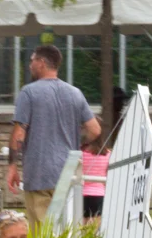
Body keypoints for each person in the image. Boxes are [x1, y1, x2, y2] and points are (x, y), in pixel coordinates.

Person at [7, 44, 101, 225]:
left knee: (43, 235)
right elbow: (95, 130)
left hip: (39, 175)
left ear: (42, 63)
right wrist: (75, 142)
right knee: (68, 233)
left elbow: (19, 133)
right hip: (69, 175)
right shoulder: (75, 93)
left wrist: (12, 165)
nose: (30, 65)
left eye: (32, 61)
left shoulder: (29, 92)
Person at [80, 131, 110, 221]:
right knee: (94, 227)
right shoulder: (108, 154)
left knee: (80, 225)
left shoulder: (81, 154)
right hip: (99, 194)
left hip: (81, 193)